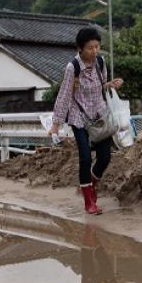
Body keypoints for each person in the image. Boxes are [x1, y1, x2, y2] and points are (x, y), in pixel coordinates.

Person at [49, 26, 124, 215]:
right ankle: (89, 201)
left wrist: (110, 84)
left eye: (97, 46)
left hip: (99, 114)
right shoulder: (72, 68)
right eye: (90, 48)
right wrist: (55, 124)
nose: (94, 51)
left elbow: (100, 86)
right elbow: (64, 96)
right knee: (84, 157)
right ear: (80, 48)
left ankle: (91, 184)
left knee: (105, 157)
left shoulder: (100, 61)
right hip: (79, 116)